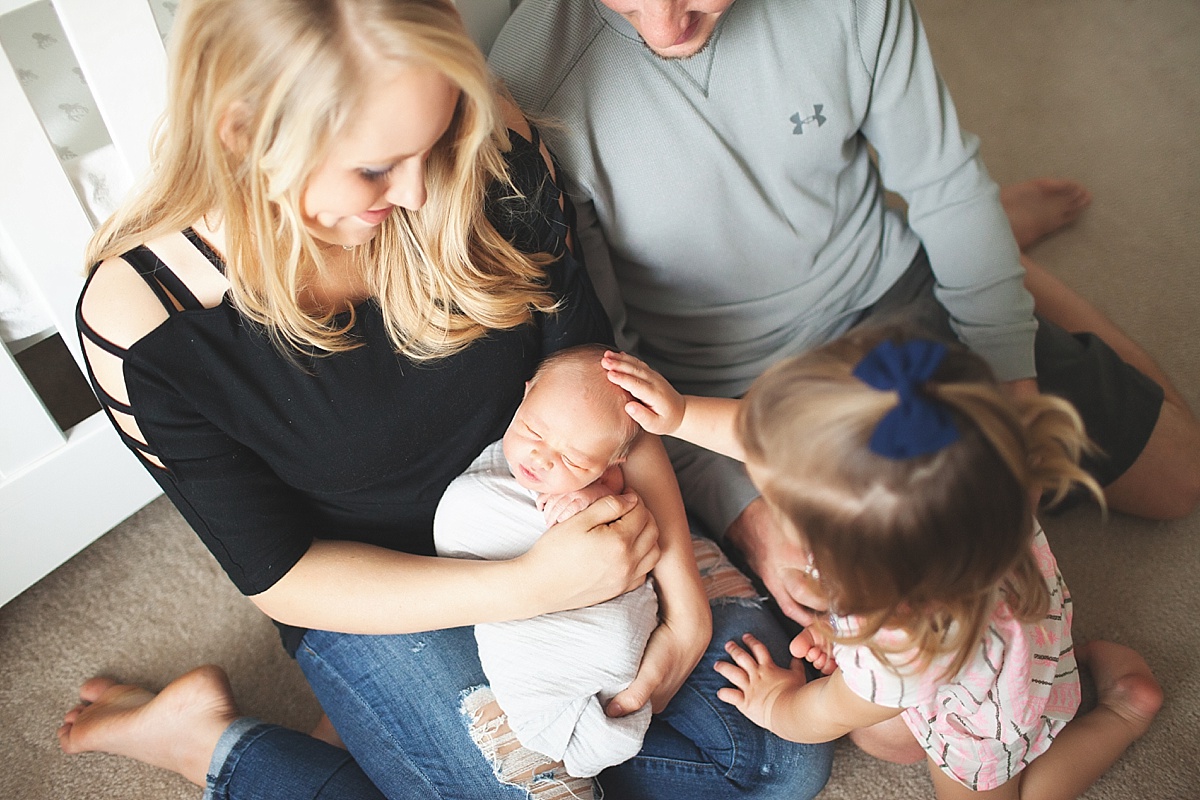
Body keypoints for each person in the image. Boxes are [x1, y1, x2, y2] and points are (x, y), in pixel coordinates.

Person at [58, 1, 834, 799]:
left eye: (429, 146)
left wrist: (685, 614)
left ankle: (379, 744)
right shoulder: (146, 321)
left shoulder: (479, 143)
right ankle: (218, 747)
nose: (422, 189)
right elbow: (279, 574)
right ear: (243, 130)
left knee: (779, 758)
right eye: (375, 168)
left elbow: (609, 398)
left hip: (563, 501)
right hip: (384, 592)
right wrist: (533, 587)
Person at [489, 0, 1200, 635]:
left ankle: (1009, 266)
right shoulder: (526, 85)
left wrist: (1015, 379)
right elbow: (612, 359)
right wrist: (745, 511)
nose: (667, 27)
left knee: (1181, 480)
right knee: (878, 696)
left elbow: (945, 186)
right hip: (730, 391)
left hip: (895, 304)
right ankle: (997, 250)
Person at [603, 331, 1164, 798]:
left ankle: (1123, 713)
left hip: (988, 716)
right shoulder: (973, 486)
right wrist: (678, 416)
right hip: (1020, 636)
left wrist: (776, 702)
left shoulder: (898, 646)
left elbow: (828, 710)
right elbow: (778, 442)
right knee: (890, 736)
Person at [433, 343, 659, 782]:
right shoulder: (500, 463)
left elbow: (627, 512)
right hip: (509, 583)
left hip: (598, 607)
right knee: (467, 507)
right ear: (526, 392)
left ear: (614, 461)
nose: (541, 458)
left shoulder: (607, 478)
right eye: (534, 431)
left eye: (573, 459)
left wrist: (590, 499)